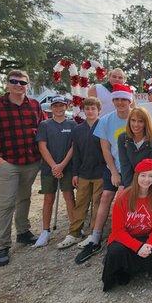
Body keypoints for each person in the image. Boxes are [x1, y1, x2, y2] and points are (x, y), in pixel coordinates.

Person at [0, 70, 45, 266]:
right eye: (14, 81)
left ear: (27, 85)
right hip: (7, 162)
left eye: (22, 82)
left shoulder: (34, 105)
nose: (18, 85)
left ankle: (23, 231)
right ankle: (2, 245)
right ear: (7, 84)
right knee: (6, 202)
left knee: (24, 198)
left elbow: (40, 130)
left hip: (30, 161)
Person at [75, 83, 133, 264]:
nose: (120, 102)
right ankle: (95, 236)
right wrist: (114, 172)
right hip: (113, 167)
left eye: (124, 99)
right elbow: (105, 148)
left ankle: (126, 233)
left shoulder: (137, 117)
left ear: (129, 101)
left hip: (132, 168)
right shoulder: (106, 120)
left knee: (126, 199)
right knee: (106, 196)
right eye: (117, 99)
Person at [102, 158, 152, 291]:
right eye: (143, 175)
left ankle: (141, 269)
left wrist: (149, 243)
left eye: (150, 176)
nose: (146, 179)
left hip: (145, 236)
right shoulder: (123, 197)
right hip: (124, 237)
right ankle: (120, 272)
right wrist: (137, 247)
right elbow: (118, 230)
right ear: (136, 176)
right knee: (116, 250)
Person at [57, 97, 105, 249]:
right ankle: (75, 233)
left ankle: (94, 233)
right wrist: (75, 173)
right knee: (81, 203)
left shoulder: (103, 126)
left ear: (99, 110)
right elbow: (76, 153)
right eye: (87, 109)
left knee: (97, 204)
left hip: (100, 172)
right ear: (83, 110)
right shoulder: (77, 129)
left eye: (93, 109)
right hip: (83, 173)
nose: (90, 111)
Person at [34, 96, 77, 247]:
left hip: (67, 167)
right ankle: (45, 231)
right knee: (48, 199)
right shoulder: (45, 124)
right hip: (48, 168)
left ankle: (74, 229)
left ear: (66, 106)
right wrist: (54, 166)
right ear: (51, 108)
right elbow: (42, 146)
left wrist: (62, 165)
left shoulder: (72, 124)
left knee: (69, 197)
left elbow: (73, 146)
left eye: (61, 105)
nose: (58, 109)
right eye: (55, 106)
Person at [118, 107, 152, 188]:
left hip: (147, 183)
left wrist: (140, 189)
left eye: (140, 121)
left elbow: (150, 168)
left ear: (146, 123)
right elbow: (125, 165)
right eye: (133, 120)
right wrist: (129, 187)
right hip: (129, 183)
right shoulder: (122, 138)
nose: (136, 124)